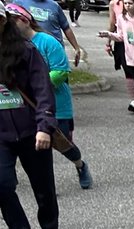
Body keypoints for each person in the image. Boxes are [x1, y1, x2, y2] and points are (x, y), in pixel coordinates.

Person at [6, 3, 91, 188]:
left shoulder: (47, 41)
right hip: (27, 108)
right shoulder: (12, 46)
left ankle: (80, 165)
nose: (9, 25)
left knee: (64, 144)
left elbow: (60, 71)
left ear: (25, 20)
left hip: (57, 106)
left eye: (13, 21)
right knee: (36, 146)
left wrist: (36, 86)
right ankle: (34, 182)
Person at [0, 7, 60, 229]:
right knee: (1, 185)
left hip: (31, 129)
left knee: (42, 186)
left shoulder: (26, 50)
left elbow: (42, 88)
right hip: (1, 133)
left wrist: (44, 126)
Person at [12, 0, 84, 65]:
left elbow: (66, 28)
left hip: (54, 52)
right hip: (29, 50)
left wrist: (76, 48)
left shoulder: (54, 5)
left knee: (58, 74)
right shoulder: (19, 3)